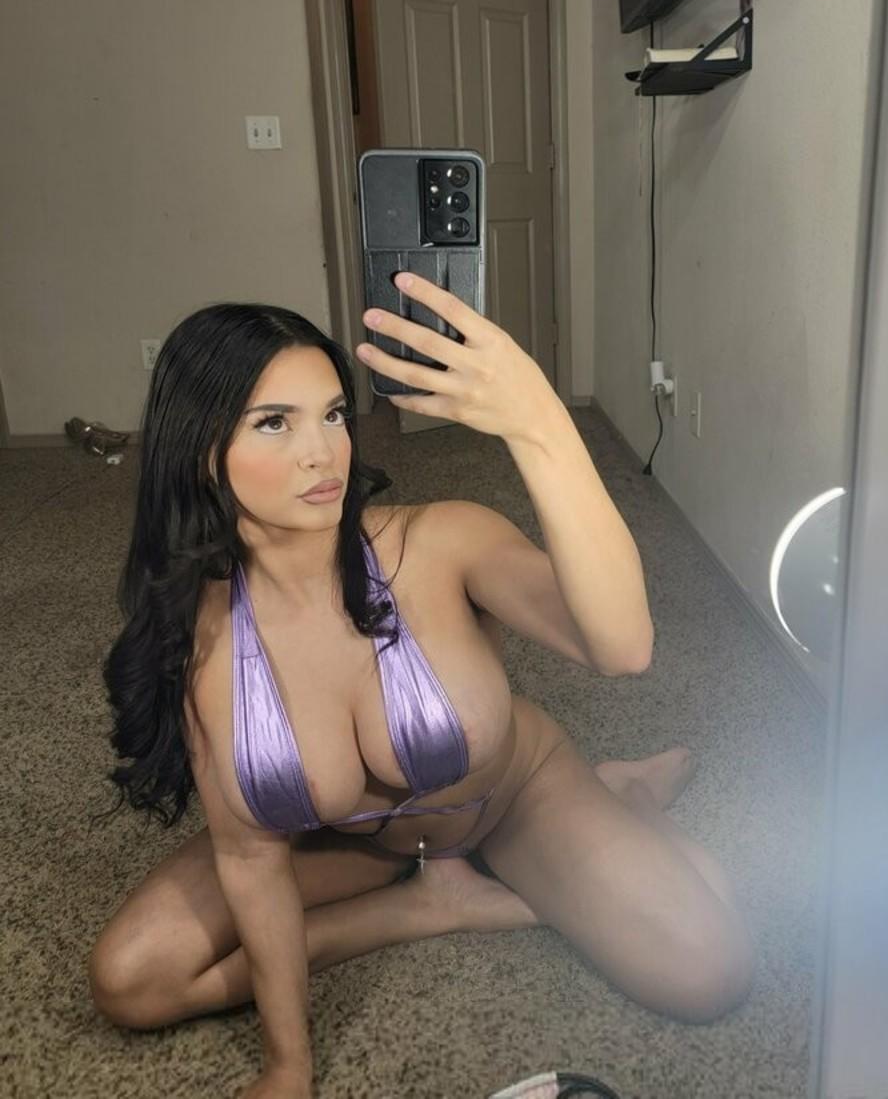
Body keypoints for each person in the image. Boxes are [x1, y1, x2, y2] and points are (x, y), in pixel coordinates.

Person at [88, 270, 756, 1099]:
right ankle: (429, 905)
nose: (322, 452)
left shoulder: (439, 541)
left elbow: (623, 647)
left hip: (507, 799)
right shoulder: (203, 629)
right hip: (362, 845)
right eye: (275, 422)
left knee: (708, 969)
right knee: (132, 979)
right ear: (201, 453)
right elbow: (251, 857)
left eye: (334, 413)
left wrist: (539, 422)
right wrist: (289, 1066)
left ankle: (621, 796)